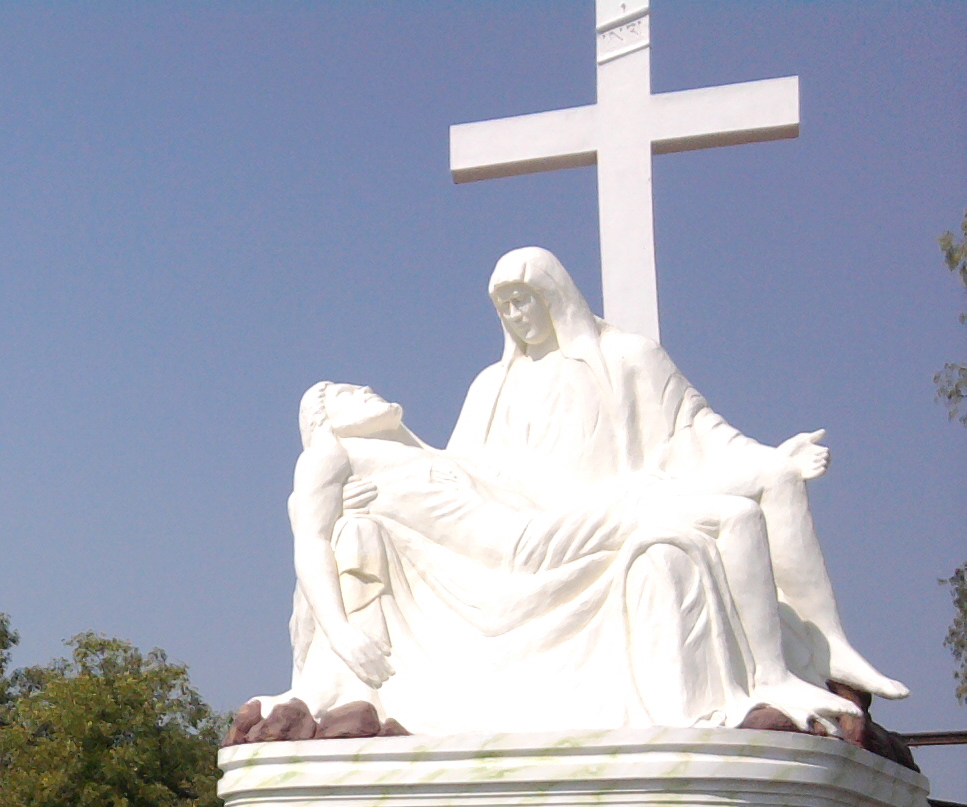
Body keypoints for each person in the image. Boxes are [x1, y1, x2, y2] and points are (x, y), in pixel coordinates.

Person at [448, 247, 904, 701]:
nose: (515, 315)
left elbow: (699, 426)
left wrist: (774, 454)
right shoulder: (492, 387)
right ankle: (772, 675)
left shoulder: (627, 356)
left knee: (777, 474)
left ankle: (832, 645)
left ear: (552, 294)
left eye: (522, 300)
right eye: (504, 306)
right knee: (737, 514)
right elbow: (455, 472)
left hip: (647, 491)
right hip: (582, 518)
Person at [280, 381, 855, 735]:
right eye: (345, 393)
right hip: (520, 549)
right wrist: (342, 632)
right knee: (732, 517)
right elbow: (311, 539)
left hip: (537, 527)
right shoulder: (331, 454)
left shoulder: (423, 453)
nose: (365, 389)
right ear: (324, 420)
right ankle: (772, 676)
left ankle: (770, 474)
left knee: (728, 510)